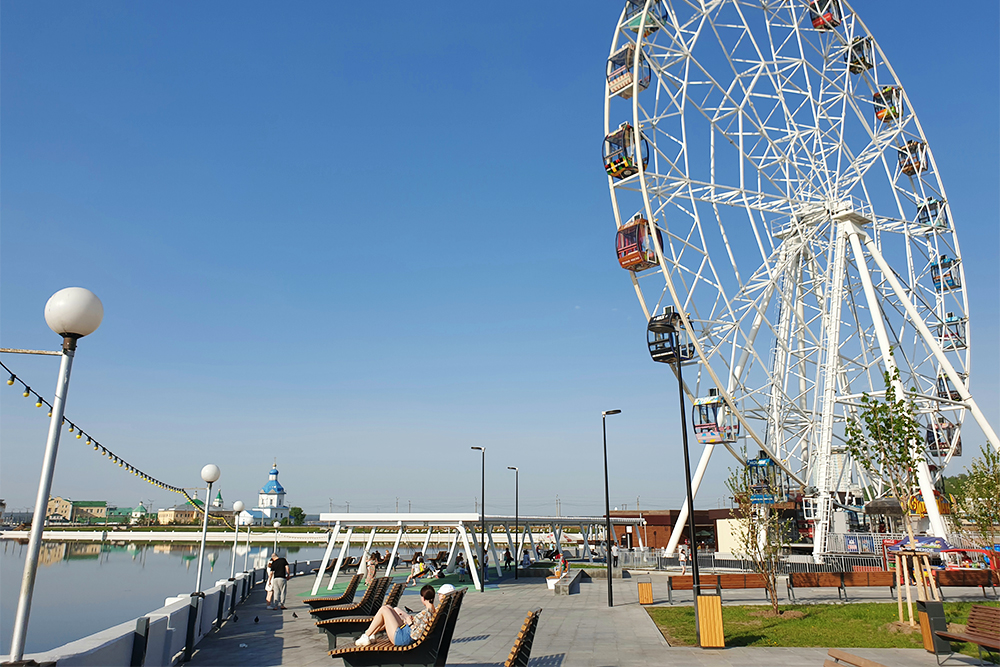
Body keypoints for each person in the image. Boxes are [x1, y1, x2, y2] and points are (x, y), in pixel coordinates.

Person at [356, 584, 436, 647]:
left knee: (384, 609)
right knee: (389, 608)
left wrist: (410, 623)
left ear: (423, 598)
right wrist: (410, 620)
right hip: (405, 632)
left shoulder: (427, 613)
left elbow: (416, 635)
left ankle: (366, 635)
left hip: (402, 638)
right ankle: (371, 634)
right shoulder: (431, 611)